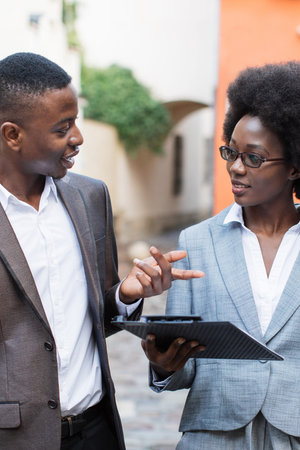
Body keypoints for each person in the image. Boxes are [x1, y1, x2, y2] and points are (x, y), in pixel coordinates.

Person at [0, 52, 203, 450]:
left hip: (97, 430)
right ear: (12, 135)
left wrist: (127, 294)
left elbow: (101, 317)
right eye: (62, 128)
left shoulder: (90, 197)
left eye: (75, 121)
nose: (77, 136)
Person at [142, 61, 300, 449]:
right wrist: (164, 365)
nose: (235, 167)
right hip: (212, 436)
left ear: (295, 167)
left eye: (254, 158)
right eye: (231, 152)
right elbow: (185, 363)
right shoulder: (196, 241)